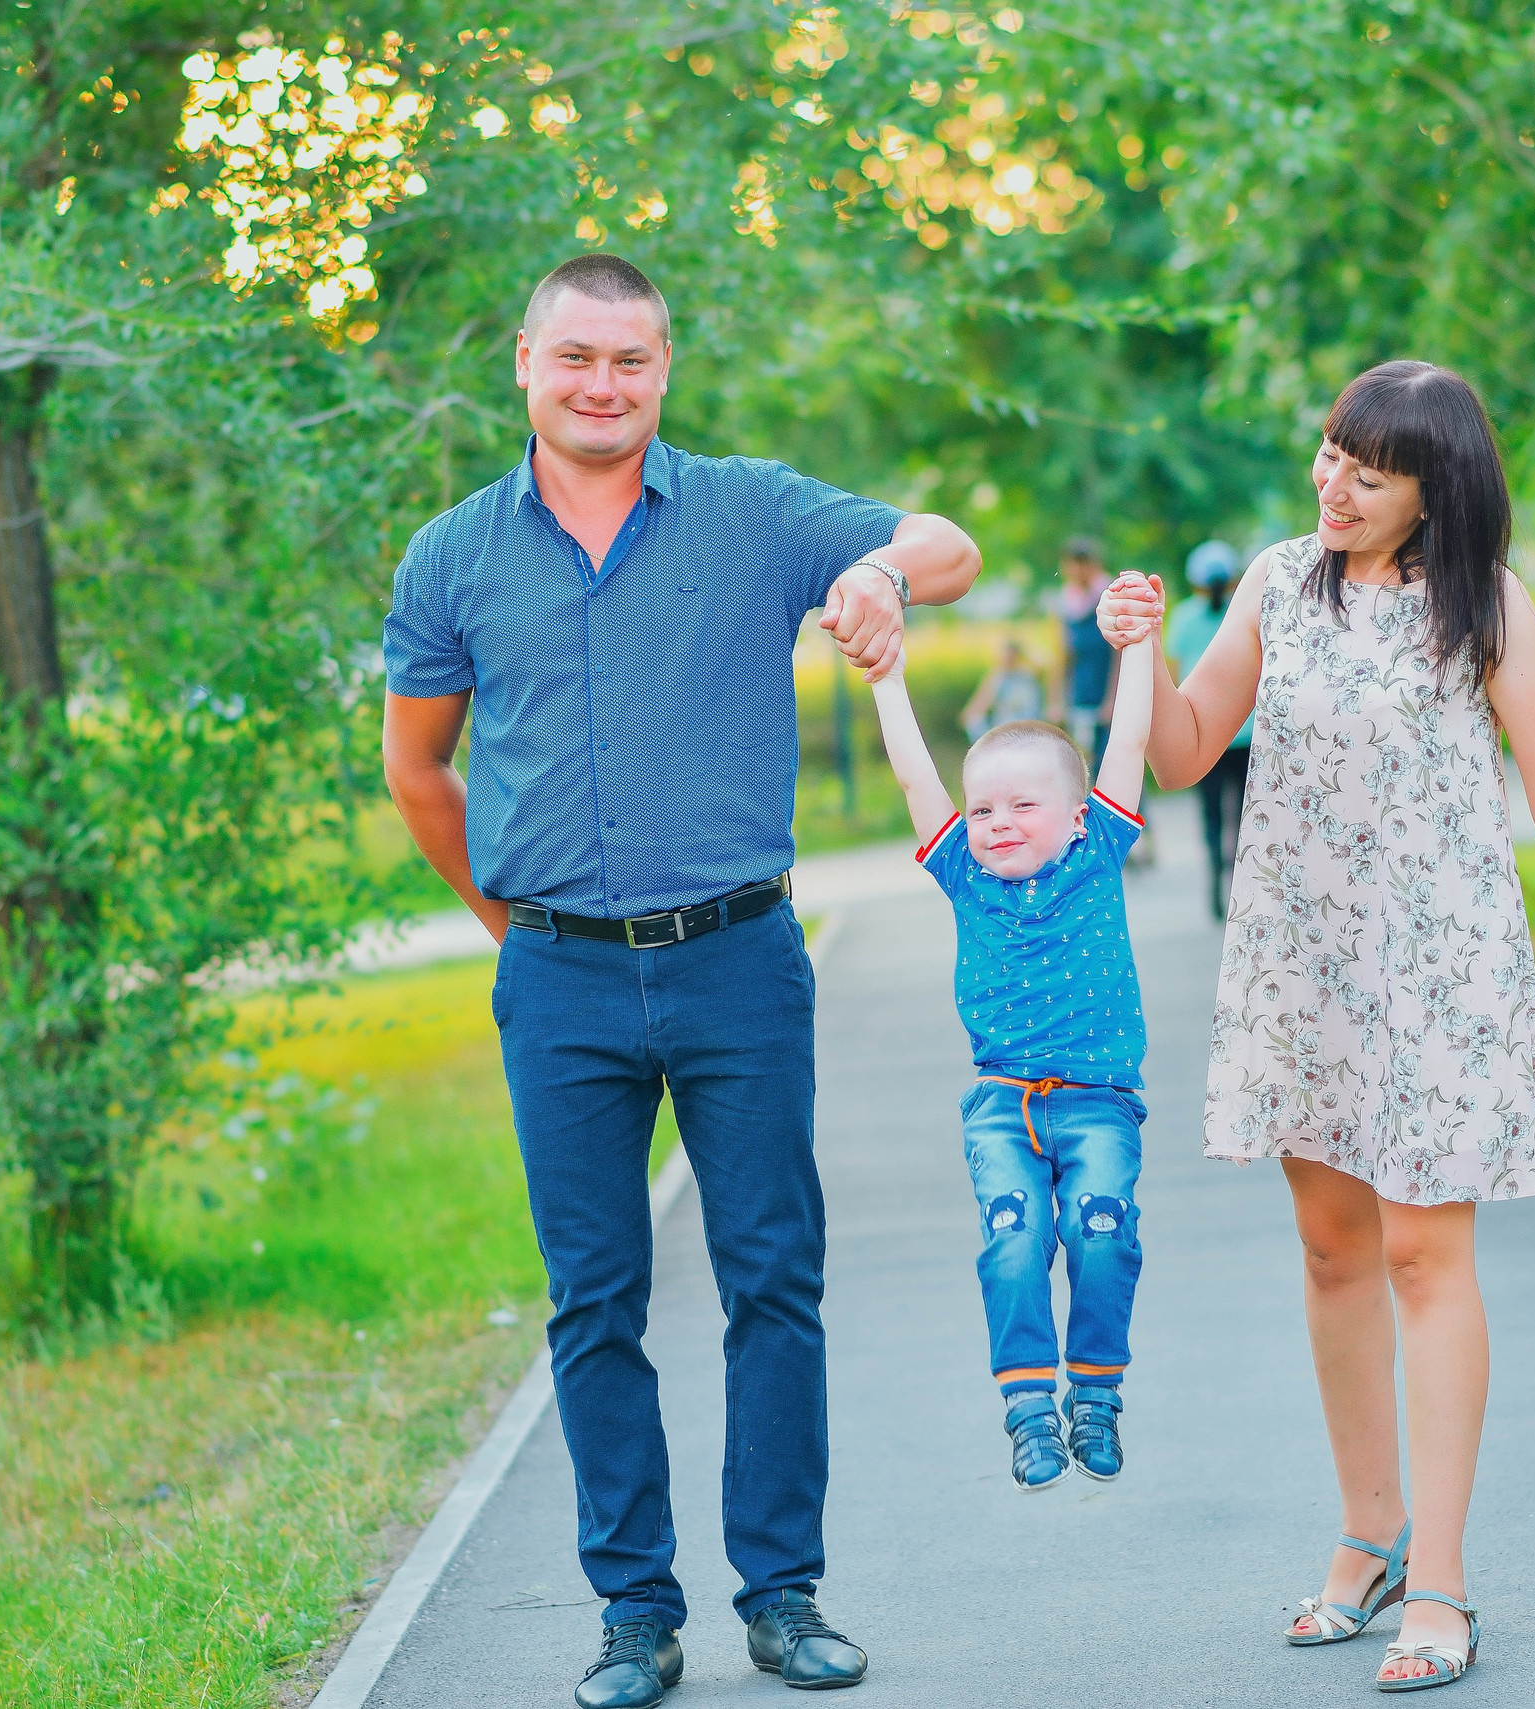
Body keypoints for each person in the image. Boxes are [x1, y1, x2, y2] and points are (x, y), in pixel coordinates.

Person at [381, 253, 982, 1709]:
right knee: (595, 1299)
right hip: (562, 980)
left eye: (630, 362)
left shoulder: (756, 511)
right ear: (524, 359)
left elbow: (946, 539)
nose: (603, 385)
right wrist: (507, 927)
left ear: (665, 369)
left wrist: (881, 573)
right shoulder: (454, 554)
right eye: (576, 358)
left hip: (740, 965)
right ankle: (633, 1617)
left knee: (774, 1277)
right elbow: (418, 764)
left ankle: (783, 1597)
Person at [1096, 361, 1535, 1693]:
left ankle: (1446, 1583)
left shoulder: (1487, 606)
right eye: (1329, 456)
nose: (1334, 485)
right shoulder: (1281, 581)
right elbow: (1184, 752)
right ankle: (1369, 1534)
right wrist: (1145, 650)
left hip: (1440, 967)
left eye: (1370, 470)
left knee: (1423, 1256)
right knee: (1334, 1250)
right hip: (1306, 960)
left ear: (1434, 487)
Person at [859, 610, 1157, 1492]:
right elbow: (916, 775)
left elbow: (1130, 736)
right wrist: (887, 681)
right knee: (1016, 1241)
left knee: (1100, 1232)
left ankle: (1095, 1395)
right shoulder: (964, 875)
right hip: (1002, 1103)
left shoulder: (1099, 851)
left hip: (1099, 1100)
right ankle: (1030, 1411)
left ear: (1075, 815)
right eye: (982, 806)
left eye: (1022, 806)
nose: (995, 822)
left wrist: (1136, 649)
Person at [1165, 541, 1251, 920]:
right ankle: (1244, 883)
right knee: (1249, 816)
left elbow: (1170, 675)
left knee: (1212, 816)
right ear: (1233, 580)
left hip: (1204, 734)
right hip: (1250, 733)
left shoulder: (1184, 618)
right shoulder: (1247, 612)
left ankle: (1215, 879)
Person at [1053, 537, 1115, 776]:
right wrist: (1057, 700)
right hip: (1081, 694)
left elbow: (1118, 655)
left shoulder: (1109, 597)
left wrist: (1112, 698)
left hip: (1108, 694)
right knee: (1085, 768)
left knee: (1113, 766)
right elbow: (1063, 655)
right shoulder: (1066, 603)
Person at [959, 635, 1048, 741]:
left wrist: (1025, 648)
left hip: (1028, 727)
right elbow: (978, 706)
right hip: (1003, 727)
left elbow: (1045, 662)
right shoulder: (997, 677)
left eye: (1010, 655)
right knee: (973, 720)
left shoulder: (1028, 675)